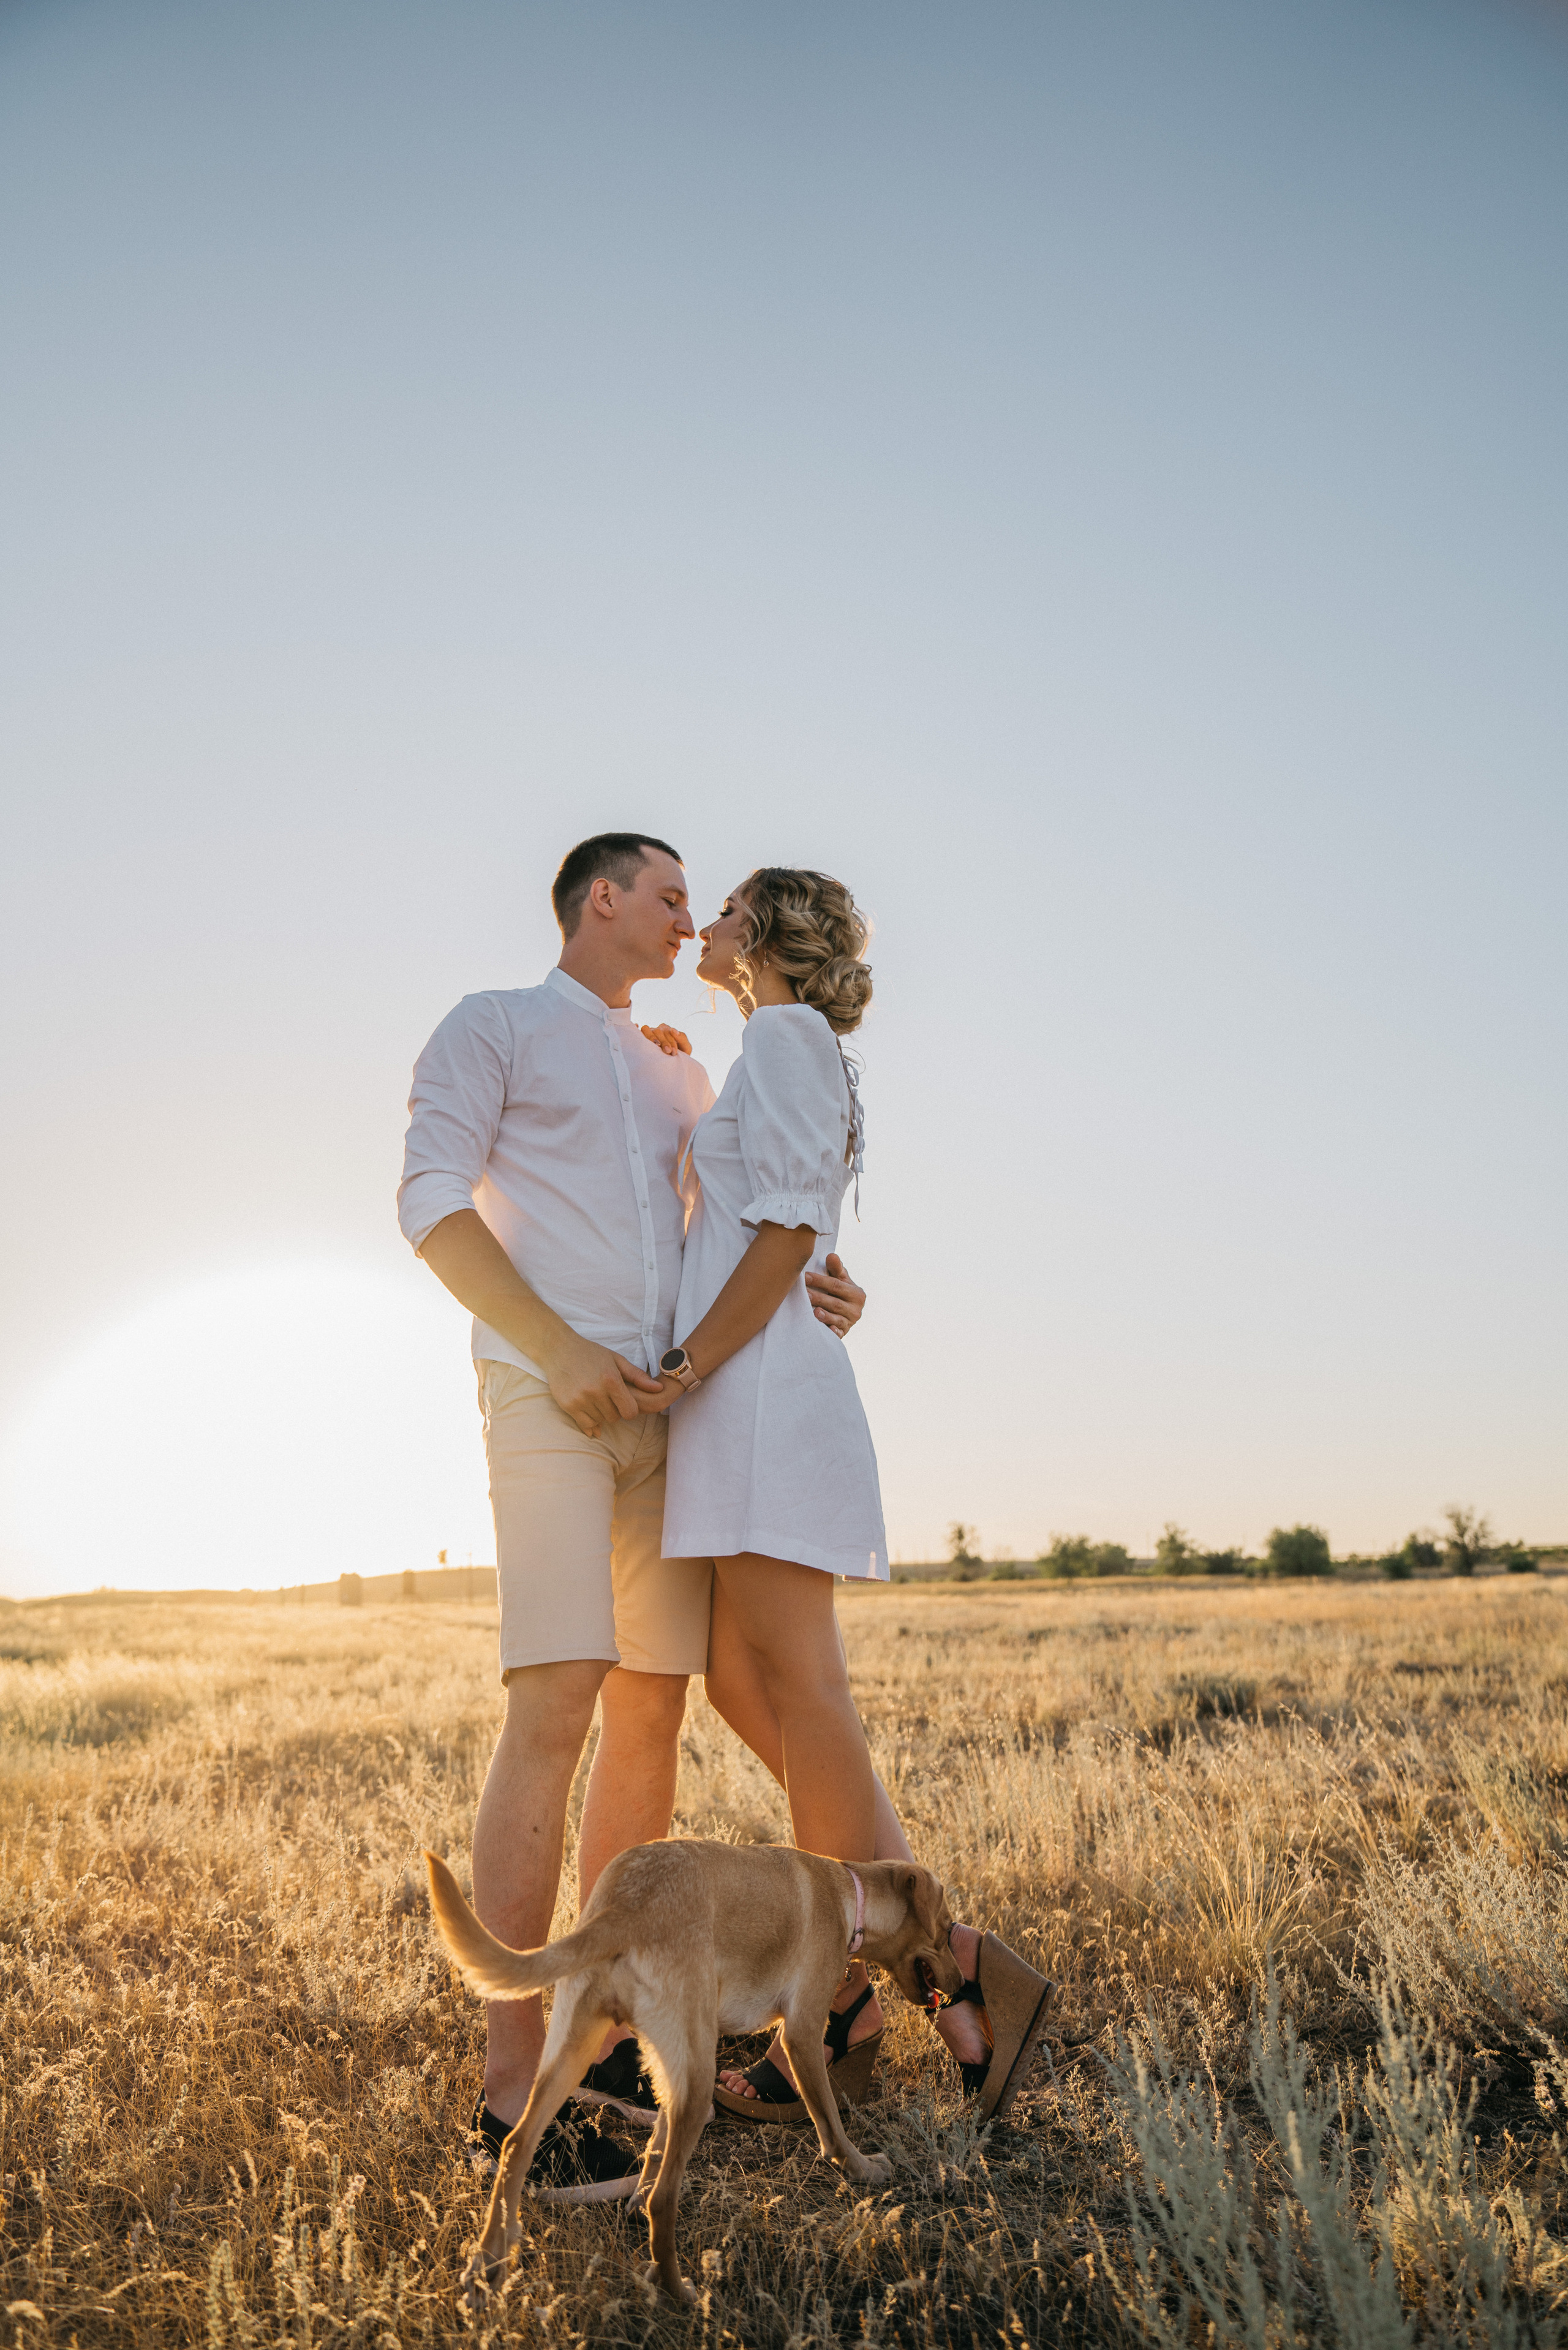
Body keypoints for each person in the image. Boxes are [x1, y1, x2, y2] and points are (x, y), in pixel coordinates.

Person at [396, 834, 866, 2201]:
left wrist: (830, 1280)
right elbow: (429, 1203)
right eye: (671, 895)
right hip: (550, 1397)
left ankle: (599, 2043)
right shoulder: (490, 1026)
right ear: (602, 898)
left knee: (652, 1710)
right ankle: (505, 2098)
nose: (688, 916)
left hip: (670, 1421)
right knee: (553, 1705)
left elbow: (745, 1209)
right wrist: (555, 1350)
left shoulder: (679, 1061)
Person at [641, 868, 1055, 2122]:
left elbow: (778, 1235)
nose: (700, 922)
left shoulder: (783, 1034)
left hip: (758, 1398)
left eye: (719, 907)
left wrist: (687, 1365)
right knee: (738, 1678)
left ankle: (843, 1998)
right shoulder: (772, 1043)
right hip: (750, 1391)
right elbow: (792, 1231)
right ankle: (948, 1952)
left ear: (757, 933)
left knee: (804, 1691)